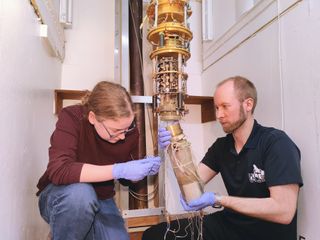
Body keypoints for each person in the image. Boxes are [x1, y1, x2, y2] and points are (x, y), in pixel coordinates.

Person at [143, 76, 303, 240]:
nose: (219, 115)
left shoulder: (276, 143)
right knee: (154, 235)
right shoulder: (222, 146)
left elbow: (284, 211)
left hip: (266, 233)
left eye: (225, 106)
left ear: (248, 104)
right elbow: (192, 186)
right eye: (217, 107)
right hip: (231, 225)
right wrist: (174, 146)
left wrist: (219, 199)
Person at [36, 81, 161, 240]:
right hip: (63, 196)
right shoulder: (72, 117)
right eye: (116, 131)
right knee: (81, 195)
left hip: (103, 198)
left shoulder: (128, 130)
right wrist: (118, 169)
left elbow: (126, 180)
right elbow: (59, 170)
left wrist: (141, 172)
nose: (123, 136)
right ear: (93, 117)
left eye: (126, 129)